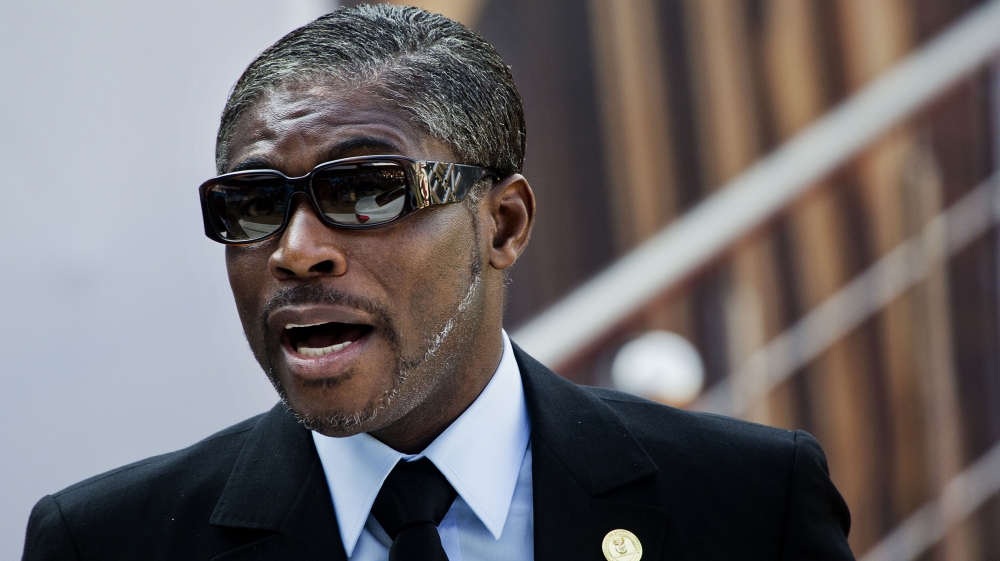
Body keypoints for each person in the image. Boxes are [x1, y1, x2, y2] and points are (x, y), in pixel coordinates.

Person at [22, 5, 855, 561]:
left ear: (503, 225)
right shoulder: (106, 541)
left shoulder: (747, 503)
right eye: (253, 204)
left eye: (367, 191)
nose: (297, 250)